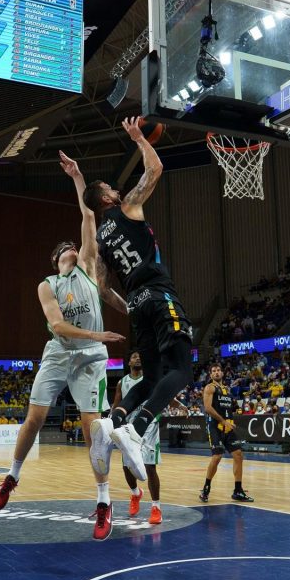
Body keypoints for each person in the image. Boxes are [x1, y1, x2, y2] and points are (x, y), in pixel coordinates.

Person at [0, 151, 126, 542]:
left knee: (92, 429)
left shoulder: (88, 267)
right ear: (56, 260)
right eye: (65, 248)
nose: (73, 248)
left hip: (90, 360)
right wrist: (98, 335)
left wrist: (78, 177)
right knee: (35, 417)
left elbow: (88, 216)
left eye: (75, 246)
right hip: (61, 351)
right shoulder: (47, 285)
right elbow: (58, 326)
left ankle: (104, 501)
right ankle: (12, 477)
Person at [83, 118, 195, 483]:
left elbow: (103, 290)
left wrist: (130, 306)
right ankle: (137, 427)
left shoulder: (100, 241)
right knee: (181, 369)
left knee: (150, 379)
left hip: (137, 305)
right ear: (106, 199)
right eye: (110, 188)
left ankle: (112, 421)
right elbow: (155, 168)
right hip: (159, 294)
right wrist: (138, 139)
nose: (116, 189)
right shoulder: (127, 206)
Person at [113, 352, 186, 525]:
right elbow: (117, 404)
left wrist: (181, 406)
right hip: (129, 426)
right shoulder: (122, 382)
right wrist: (112, 420)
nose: (138, 358)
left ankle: (156, 507)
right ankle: (135, 493)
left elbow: (166, 397)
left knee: (150, 466)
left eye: (140, 356)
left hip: (150, 425)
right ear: (129, 362)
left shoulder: (153, 380)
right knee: (127, 466)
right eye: (134, 356)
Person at [198, 363, 254, 503]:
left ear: (222, 373)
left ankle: (238, 490)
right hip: (215, 426)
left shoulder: (227, 390)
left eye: (218, 370)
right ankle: (206, 488)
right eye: (214, 371)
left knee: (238, 454)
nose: (217, 372)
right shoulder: (210, 387)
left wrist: (231, 418)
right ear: (211, 374)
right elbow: (208, 408)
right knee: (217, 456)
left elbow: (226, 408)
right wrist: (223, 421)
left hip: (228, 426)